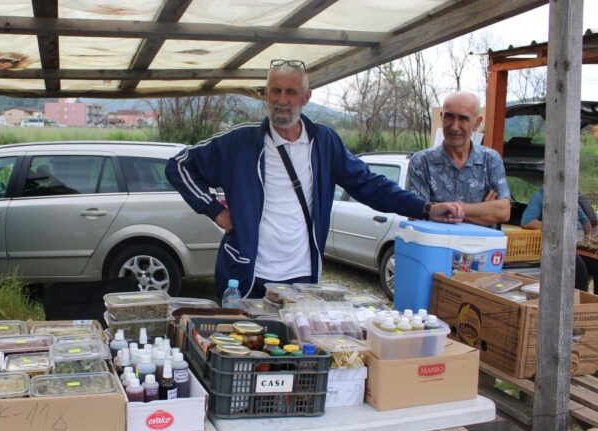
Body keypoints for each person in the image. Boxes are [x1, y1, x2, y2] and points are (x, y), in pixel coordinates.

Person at [165, 59, 464, 298]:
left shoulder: (324, 143)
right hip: (246, 278)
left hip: (302, 279)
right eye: (275, 91)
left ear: (306, 97)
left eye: (291, 92)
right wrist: (217, 212)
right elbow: (179, 166)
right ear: (266, 95)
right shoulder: (240, 143)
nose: (282, 100)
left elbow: (369, 185)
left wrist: (424, 208)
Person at [406, 91, 511, 227]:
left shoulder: (490, 160)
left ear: (477, 123)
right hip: (436, 247)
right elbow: (415, 215)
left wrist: (439, 210)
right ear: (441, 116)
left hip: (479, 248)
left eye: (463, 118)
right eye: (449, 117)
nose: (454, 126)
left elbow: (503, 212)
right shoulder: (421, 162)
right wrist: (483, 211)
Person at [522, 188, 598, 294]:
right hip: (557, 246)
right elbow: (527, 222)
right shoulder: (540, 197)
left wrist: (587, 228)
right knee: (577, 265)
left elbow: (588, 223)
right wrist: (556, 227)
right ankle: (580, 302)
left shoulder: (571, 198)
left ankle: (594, 304)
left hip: (578, 245)